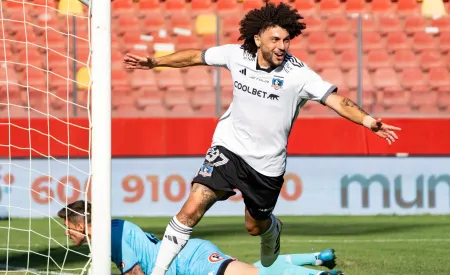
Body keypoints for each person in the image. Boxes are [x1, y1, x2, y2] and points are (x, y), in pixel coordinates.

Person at [123, 2, 401, 274]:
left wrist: (367, 121)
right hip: (228, 149)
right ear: (257, 39)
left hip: (266, 165)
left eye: (287, 40)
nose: (282, 46)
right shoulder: (235, 55)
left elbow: (336, 100)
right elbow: (196, 56)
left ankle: (273, 228)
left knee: (254, 227)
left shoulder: (298, 75)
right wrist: (155, 62)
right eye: (275, 39)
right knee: (191, 209)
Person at [57, 200, 344, 275]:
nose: (66, 232)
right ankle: (318, 258)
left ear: (79, 224)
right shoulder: (112, 226)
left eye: (67, 226)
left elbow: (136, 273)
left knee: (256, 274)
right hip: (186, 260)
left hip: (189, 262)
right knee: (255, 269)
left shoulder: (111, 236)